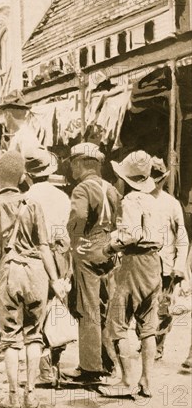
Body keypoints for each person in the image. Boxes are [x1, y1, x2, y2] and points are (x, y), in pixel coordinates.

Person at [0, 150, 66, 408]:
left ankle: (13, 397)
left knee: (10, 339)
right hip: (37, 272)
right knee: (34, 336)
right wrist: (56, 281)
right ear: (23, 177)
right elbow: (45, 247)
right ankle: (32, 395)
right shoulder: (33, 205)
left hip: (9, 272)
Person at [90, 151, 163, 397]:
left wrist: (110, 246)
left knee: (117, 325)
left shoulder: (131, 201)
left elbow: (131, 234)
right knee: (148, 327)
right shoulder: (154, 200)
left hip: (135, 263)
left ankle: (126, 380)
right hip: (154, 263)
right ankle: (147, 380)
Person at [65, 143, 121, 383]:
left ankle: (90, 368)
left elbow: (78, 218)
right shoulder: (112, 188)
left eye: (72, 164)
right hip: (108, 247)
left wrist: (75, 240)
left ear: (79, 163)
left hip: (88, 249)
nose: (71, 168)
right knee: (107, 308)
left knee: (87, 308)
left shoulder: (81, 189)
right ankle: (109, 363)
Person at [24, 152, 72, 385]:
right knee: (58, 306)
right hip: (61, 254)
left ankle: (44, 366)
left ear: (28, 175)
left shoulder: (26, 199)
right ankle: (55, 364)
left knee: (37, 310)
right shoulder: (62, 197)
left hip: (37, 257)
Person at [148, 158, 189, 360]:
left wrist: (180, 266)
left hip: (166, 266)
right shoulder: (139, 199)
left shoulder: (172, 204)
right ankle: (146, 340)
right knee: (144, 306)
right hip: (145, 264)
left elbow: (182, 238)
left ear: (163, 179)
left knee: (164, 308)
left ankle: (158, 345)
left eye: (158, 179)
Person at [0, 90, 45, 158]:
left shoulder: (25, 137)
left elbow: (30, 165)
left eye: (3, 113)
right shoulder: (19, 135)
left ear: (7, 114)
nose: (3, 118)